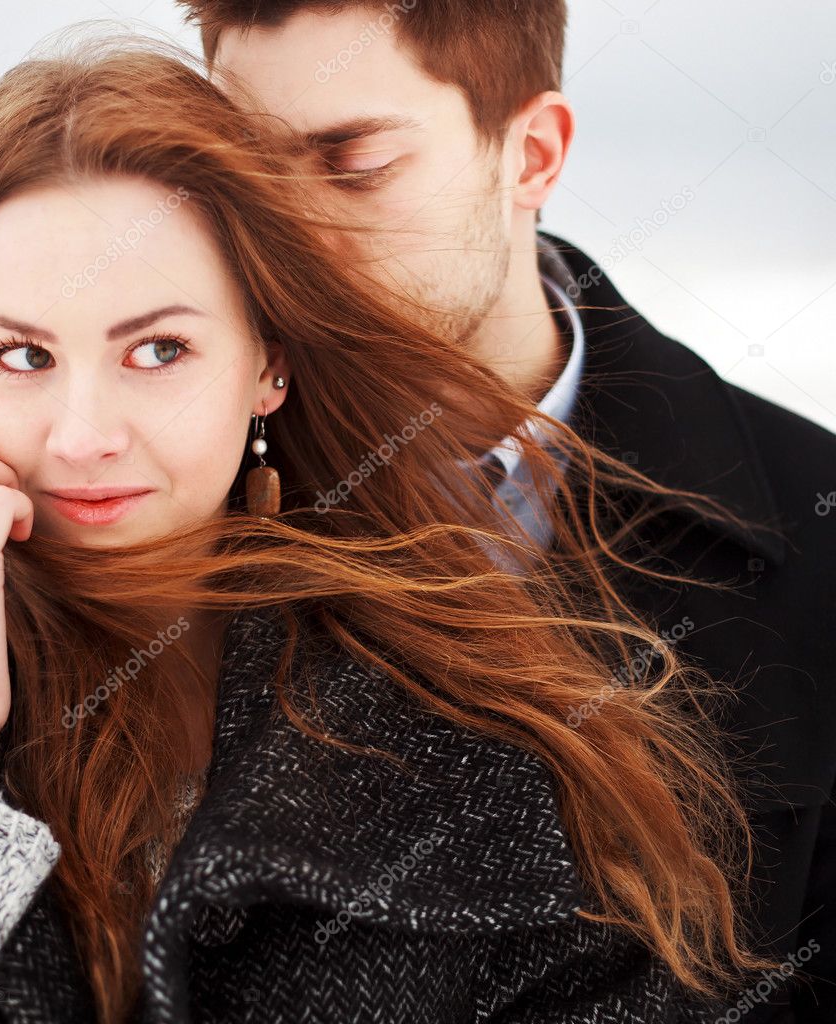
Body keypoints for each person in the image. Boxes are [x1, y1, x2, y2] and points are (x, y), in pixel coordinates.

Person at [0, 33, 795, 1024]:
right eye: (22, 356)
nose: (81, 436)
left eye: (159, 349)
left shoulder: (496, 757)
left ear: (267, 365)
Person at [178, 2, 836, 1019]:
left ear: (530, 154)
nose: (281, 239)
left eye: (349, 162)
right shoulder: (152, 504)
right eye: (245, 179)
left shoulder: (816, 520)